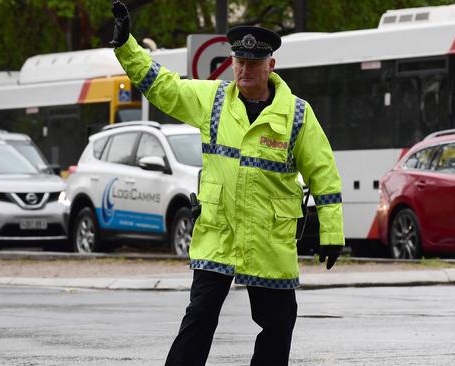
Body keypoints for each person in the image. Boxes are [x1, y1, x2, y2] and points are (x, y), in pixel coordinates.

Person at [110, 2, 344, 365]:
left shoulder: (298, 114)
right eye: (239, 61)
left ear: (271, 65)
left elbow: (323, 173)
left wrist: (332, 231)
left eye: (253, 62)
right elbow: (163, 87)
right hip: (218, 236)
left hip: (269, 238)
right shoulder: (214, 100)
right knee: (199, 317)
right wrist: (127, 46)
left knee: (278, 324)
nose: (244, 69)